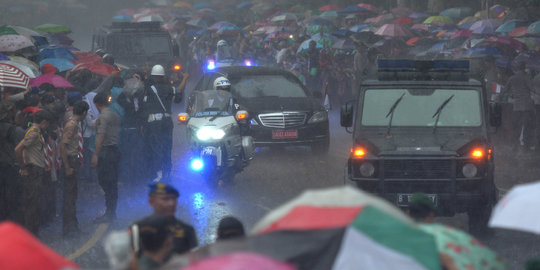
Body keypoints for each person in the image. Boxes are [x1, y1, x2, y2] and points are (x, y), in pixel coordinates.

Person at [141, 64, 186, 182]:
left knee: (156, 147)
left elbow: (144, 107)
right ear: (162, 76)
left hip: (154, 123)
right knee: (167, 147)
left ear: (153, 76)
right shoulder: (170, 89)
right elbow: (178, 96)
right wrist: (185, 79)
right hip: (167, 122)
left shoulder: (149, 89)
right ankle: (167, 172)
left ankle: (158, 173)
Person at [14, 109, 54, 235]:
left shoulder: (37, 132)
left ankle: (33, 232)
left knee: (35, 203)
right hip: (34, 170)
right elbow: (18, 149)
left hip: (38, 170)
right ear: (43, 122)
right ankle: (30, 234)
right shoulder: (34, 133)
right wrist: (23, 167)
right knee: (33, 204)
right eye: (47, 123)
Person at [60, 101, 89, 237]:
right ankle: (68, 228)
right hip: (71, 161)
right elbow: (63, 146)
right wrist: (67, 166)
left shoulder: (75, 123)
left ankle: (73, 225)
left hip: (74, 159)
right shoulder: (71, 125)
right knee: (70, 196)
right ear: (84, 113)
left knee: (73, 194)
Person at [92, 92, 121, 222]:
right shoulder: (115, 115)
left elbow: (100, 136)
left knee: (105, 181)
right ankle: (112, 212)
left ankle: (109, 213)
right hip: (115, 150)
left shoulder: (103, 117)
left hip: (106, 152)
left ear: (97, 104)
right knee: (112, 182)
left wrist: (95, 154)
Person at [146, 182, 198, 254]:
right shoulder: (139, 229)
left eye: (174, 199)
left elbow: (195, 261)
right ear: (151, 202)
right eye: (165, 199)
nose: (172, 204)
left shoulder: (187, 230)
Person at [501, 62, 535, 151]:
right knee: (527, 125)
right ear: (524, 68)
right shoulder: (526, 78)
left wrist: (499, 97)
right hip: (527, 105)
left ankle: (514, 143)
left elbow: (505, 90)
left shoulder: (512, 78)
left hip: (517, 105)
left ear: (516, 68)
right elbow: (532, 88)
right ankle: (525, 144)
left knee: (516, 125)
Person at [0, 100, 25, 222]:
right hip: (11, 168)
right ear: (9, 112)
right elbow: (22, 149)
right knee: (13, 200)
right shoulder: (14, 130)